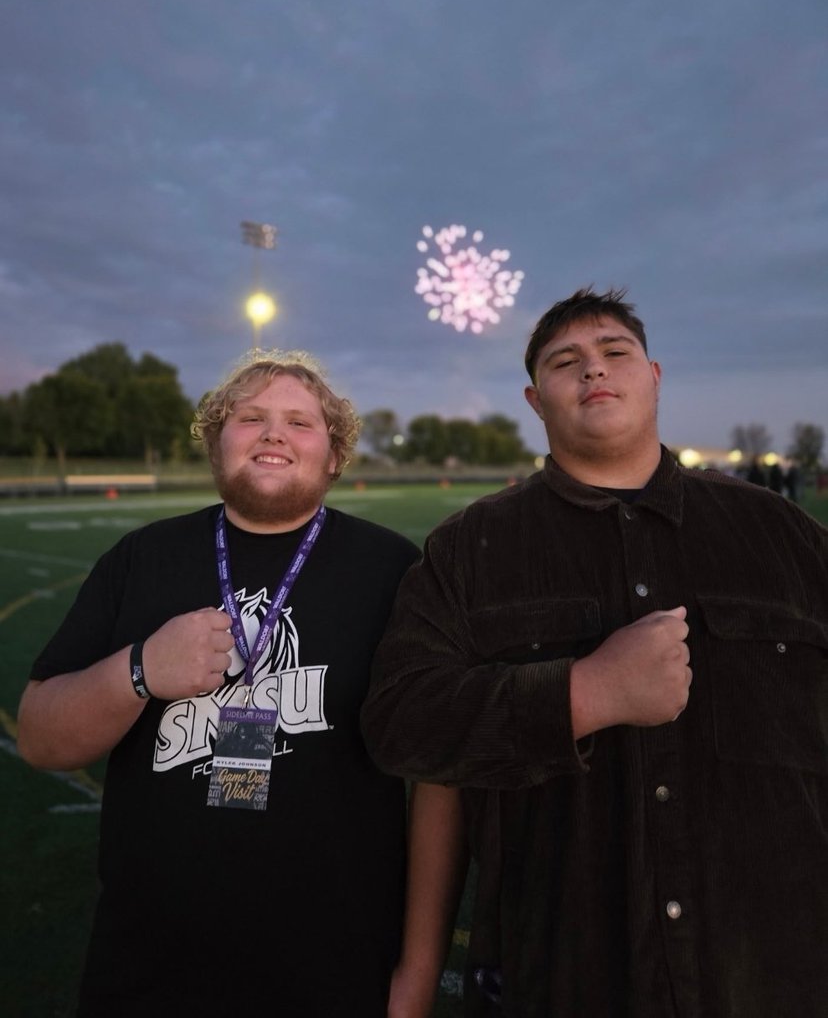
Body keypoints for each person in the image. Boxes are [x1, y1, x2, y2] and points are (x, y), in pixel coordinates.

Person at [362, 287, 828, 1018]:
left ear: (655, 376)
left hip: (776, 969)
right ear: (534, 398)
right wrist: (583, 693)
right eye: (565, 361)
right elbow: (402, 722)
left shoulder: (785, 535)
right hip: (563, 975)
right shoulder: (468, 550)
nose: (594, 370)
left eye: (615, 352)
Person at [17, 351, 463, 1018]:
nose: (273, 433)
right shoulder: (140, 558)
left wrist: (420, 970)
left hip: (336, 968)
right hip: (149, 970)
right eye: (250, 417)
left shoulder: (394, 571)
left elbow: (439, 777)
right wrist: (140, 670)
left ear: (335, 455)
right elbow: (39, 738)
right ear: (215, 441)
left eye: (300, 422)